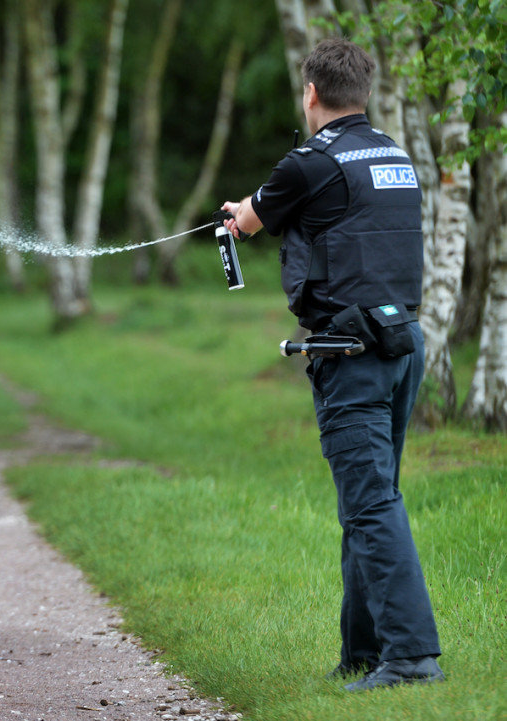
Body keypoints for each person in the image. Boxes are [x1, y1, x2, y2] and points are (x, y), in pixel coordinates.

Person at [220, 38, 443, 691]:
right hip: (404, 344)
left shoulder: (309, 162)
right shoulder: (396, 156)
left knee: (370, 502)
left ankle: (411, 656)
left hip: (351, 354)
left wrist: (235, 215)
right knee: (368, 499)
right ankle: (362, 650)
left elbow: (253, 220)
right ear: (365, 93)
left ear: (311, 93)